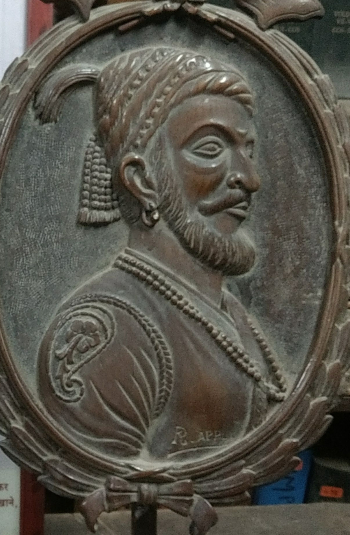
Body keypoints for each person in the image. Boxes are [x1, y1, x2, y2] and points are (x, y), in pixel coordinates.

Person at [37, 46, 286, 461]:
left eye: (249, 151)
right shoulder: (106, 334)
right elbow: (113, 487)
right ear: (141, 179)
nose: (250, 178)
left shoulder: (227, 312)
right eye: (210, 150)